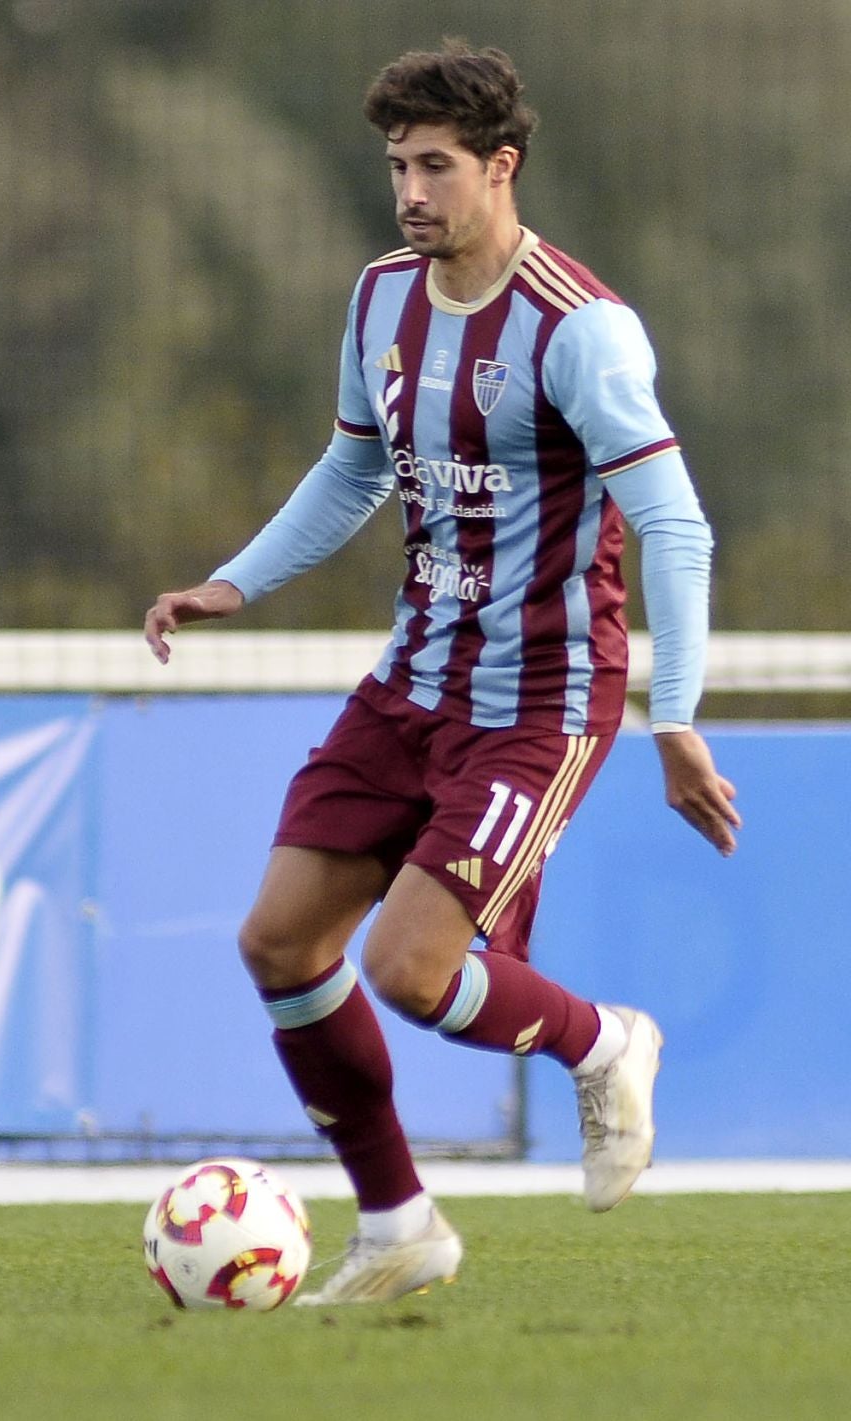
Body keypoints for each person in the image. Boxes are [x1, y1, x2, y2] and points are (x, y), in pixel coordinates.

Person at [143, 40, 740, 1306]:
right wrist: (235, 580)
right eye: (396, 166)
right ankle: (400, 1222)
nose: (409, 192)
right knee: (280, 942)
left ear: (499, 169)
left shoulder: (579, 331)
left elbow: (675, 523)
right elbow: (356, 466)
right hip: (411, 681)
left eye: (434, 167)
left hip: (539, 700)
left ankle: (605, 1039)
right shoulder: (379, 300)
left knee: (412, 971)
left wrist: (673, 718)